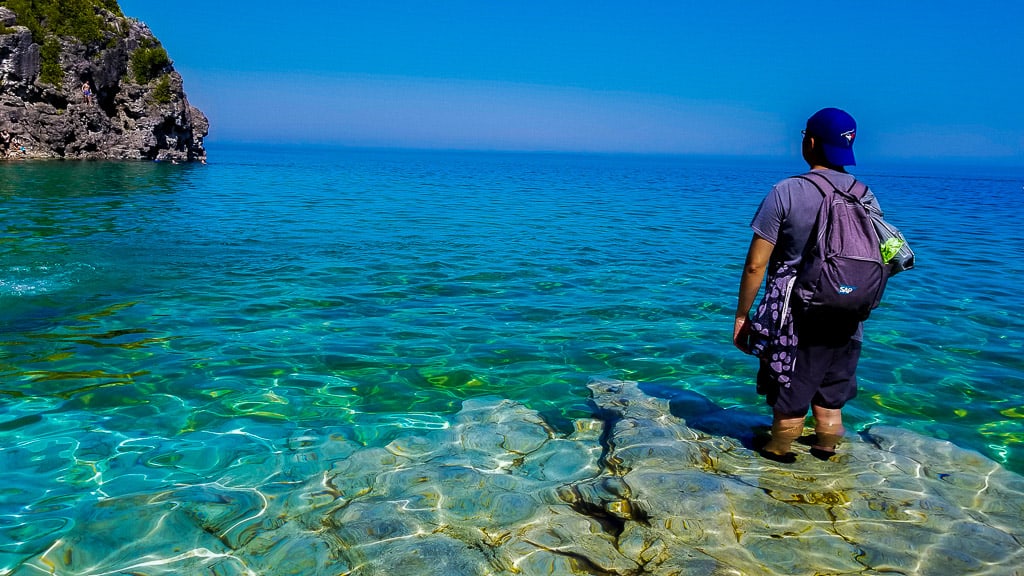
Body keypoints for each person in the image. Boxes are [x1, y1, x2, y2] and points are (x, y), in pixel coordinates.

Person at [733, 107, 880, 463]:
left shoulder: (786, 192)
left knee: (790, 402)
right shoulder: (864, 193)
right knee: (830, 404)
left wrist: (742, 315)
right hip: (849, 311)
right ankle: (826, 453)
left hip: (797, 314)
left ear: (810, 142)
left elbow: (756, 264)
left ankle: (777, 456)